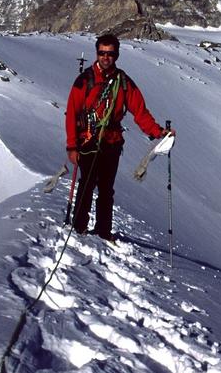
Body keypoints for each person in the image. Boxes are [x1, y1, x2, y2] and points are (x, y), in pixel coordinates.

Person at [65, 33, 173, 240]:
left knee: (106, 188)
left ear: (117, 55)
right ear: (97, 54)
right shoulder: (85, 80)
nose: (106, 57)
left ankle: (103, 231)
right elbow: (72, 113)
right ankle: (79, 228)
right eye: (102, 53)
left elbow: (139, 111)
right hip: (88, 140)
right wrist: (71, 146)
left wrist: (158, 132)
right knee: (87, 184)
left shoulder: (123, 82)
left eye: (110, 54)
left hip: (111, 142)